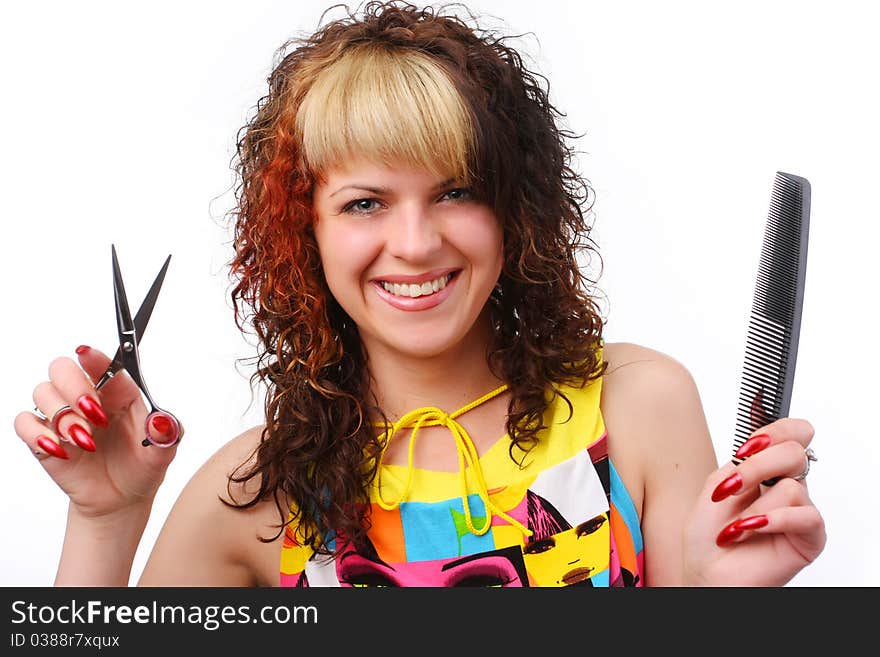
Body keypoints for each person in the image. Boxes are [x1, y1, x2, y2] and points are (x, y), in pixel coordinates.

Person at [13, 0, 825, 587]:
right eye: (364, 203)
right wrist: (104, 517)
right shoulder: (255, 497)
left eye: (456, 191)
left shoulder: (639, 407)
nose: (415, 242)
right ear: (307, 233)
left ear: (515, 210)